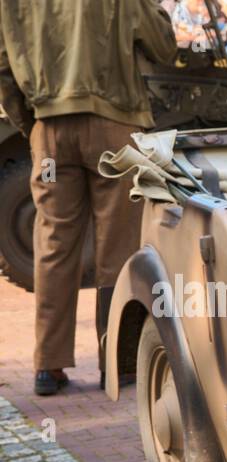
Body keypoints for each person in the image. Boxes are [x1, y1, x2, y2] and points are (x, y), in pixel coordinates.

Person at [0, 0, 176, 396]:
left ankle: (48, 365)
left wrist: (31, 123)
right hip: (114, 125)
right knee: (119, 245)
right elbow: (164, 45)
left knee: (53, 244)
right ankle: (118, 360)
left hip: (49, 131)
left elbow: (2, 64)